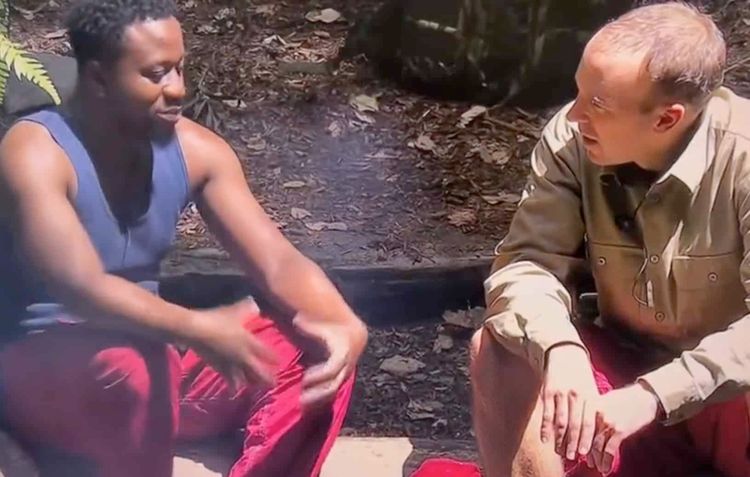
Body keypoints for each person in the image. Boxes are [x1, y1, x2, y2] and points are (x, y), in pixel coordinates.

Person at [0, 0, 368, 476]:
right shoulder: (35, 152)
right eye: (156, 74)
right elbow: (80, 286)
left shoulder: (197, 150)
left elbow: (278, 263)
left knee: (313, 342)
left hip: (148, 374)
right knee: (138, 361)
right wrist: (197, 327)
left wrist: (343, 323)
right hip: (37, 374)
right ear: (98, 79)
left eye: (179, 68)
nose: (178, 88)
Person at [470, 3, 750, 477]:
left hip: (727, 395)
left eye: (598, 104)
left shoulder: (743, 155)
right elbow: (527, 265)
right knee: (500, 350)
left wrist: (656, 394)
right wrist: (559, 347)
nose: (575, 114)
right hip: (624, 380)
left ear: (667, 119)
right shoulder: (572, 139)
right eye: (578, 91)